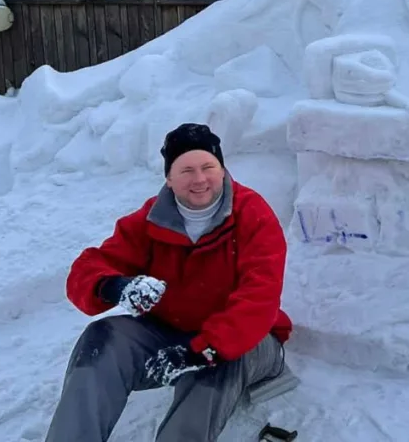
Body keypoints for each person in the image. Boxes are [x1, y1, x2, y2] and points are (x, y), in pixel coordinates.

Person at [45, 123, 293, 442]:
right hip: (170, 332)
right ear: (169, 179)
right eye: (186, 169)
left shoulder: (252, 214)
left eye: (208, 167)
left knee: (216, 362)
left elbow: (258, 300)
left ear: (222, 169)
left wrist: (201, 351)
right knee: (103, 337)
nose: (200, 179)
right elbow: (89, 267)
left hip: (247, 341)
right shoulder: (152, 219)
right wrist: (113, 286)